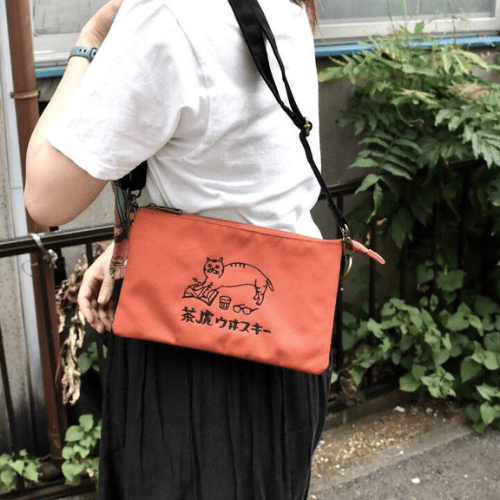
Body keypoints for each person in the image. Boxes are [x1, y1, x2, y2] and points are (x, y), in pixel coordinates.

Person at [25, 0, 331, 498]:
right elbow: (247, 174)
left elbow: (44, 197)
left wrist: (89, 41)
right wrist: (139, 247)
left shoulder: (166, 14)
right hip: (282, 351)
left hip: (194, 366)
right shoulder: (286, 6)